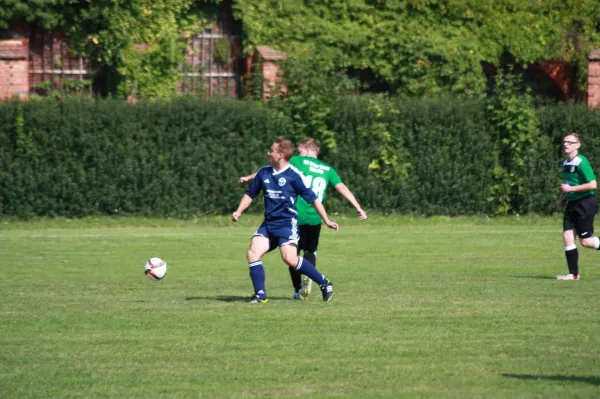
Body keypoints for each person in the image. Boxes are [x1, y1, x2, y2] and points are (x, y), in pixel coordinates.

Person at [239, 138, 367, 299]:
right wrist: (357, 207)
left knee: (291, 257)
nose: (268, 152)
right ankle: (261, 295)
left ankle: (309, 286)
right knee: (304, 252)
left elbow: (277, 169)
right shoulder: (327, 168)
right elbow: (340, 187)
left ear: (305, 151)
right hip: (313, 218)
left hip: (293, 217)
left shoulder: (298, 163)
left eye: (300, 150)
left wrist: (248, 177)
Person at [557, 132, 600, 280]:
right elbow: (572, 184)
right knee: (567, 236)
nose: (565, 144)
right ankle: (573, 274)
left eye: (569, 142)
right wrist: (565, 198)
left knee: (586, 242)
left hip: (585, 203)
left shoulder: (581, 162)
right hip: (572, 203)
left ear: (578, 145)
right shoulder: (566, 163)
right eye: (564, 142)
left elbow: (593, 185)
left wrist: (570, 190)